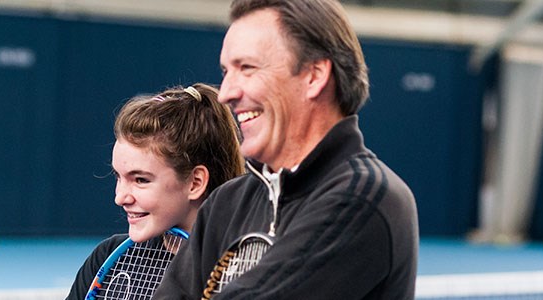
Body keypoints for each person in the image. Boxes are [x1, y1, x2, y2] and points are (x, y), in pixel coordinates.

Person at [153, 0, 419, 299]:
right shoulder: (226, 202)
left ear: (314, 76)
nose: (226, 93)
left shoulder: (366, 199)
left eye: (247, 68)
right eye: (227, 71)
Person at [65, 83, 245, 300]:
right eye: (118, 177)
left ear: (195, 183)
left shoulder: (247, 271)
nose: (120, 197)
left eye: (140, 180)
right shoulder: (107, 259)